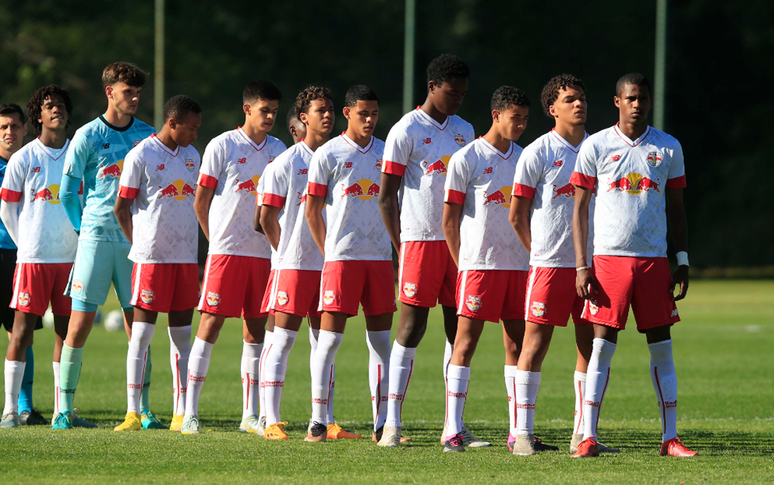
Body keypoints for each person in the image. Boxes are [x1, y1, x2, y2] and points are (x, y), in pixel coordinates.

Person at [570, 73, 696, 458]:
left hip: (654, 261)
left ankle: (669, 439)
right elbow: (578, 209)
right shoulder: (596, 145)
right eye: (630, 98)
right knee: (602, 347)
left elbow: (677, 210)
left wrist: (683, 259)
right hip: (608, 260)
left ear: (648, 102)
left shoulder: (668, 147)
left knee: (662, 347)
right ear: (617, 102)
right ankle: (588, 436)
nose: (637, 104)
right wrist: (581, 264)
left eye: (642, 98)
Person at [378, 54, 487, 447]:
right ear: (432, 87)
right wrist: (401, 246)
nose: (457, 100)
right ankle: (391, 424)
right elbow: (386, 197)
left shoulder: (466, 129)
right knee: (411, 328)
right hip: (420, 242)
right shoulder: (404, 129)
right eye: (451, 92)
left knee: (458, 329)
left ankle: (453, 427)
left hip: (460, 244)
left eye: (462, 94)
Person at [510, 74, 617, 455]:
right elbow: (517, 215)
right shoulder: (537, 152)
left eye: (583, 98)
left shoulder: (602, 148)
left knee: (591, 345)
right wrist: (539, 253)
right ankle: (522, 433)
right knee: (535, 344)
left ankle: (583, 434)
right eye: (570, 99)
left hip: (595, 265)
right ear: (552, 109)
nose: (579, 104)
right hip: (551, 265)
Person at [55, 62, 159, 430]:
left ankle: (143, 410)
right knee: (79, 323)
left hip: (135, 243)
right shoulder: (86, 135)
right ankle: (64, 410)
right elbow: (68, 193)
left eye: (137, 93)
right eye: (127, 91)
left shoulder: (149, 137)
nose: (133, 98)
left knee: (140, 325)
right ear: (109, 92)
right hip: (96, 237)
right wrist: (82, 230)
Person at [259, 86, 363, 441]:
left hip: (331, 265)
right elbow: (266, 217)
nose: (329, 115)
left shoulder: (338, 156)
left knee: (325, 343)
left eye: (332, 109)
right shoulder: (286, 163)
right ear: (303, 118)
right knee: (283, 340)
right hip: (294, 266)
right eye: (321, 110)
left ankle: (325, 419)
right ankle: (269, 420)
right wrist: (284, 253)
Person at [184, 81, 286, 435]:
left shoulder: (279, 149)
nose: (271, 116)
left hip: (263, 255)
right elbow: (201, 201)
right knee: (210, 326)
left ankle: (249, 414)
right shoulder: (222, 145)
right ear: (247, 109)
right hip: (226, 253)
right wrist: (216, 243)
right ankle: (189, 412)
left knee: (256, 331)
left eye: (274, 110)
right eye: (264, 110)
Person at [437, 86, 530, 452]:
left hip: (519, 267)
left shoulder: (525, 158)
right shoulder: (467, 158)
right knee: (465, 344)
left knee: (518, 344)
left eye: (525, 119)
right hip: (479, 267)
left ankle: (517, 431)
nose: (520, 125)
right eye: (514, 118)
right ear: (496, 115)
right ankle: (452, 430)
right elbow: (448, 221)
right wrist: (464, 267)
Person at [305, 85, 395, 442]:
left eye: (374, 113)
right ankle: (318, 420)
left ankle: (383, 423)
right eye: (363, 114)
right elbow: (312, 210)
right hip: (342, 259)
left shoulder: (388, 153)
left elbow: (395, 205)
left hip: (379, 259)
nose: (370, 120)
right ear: (347, 114)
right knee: (328, 342)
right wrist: (329, 253)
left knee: (383, 344)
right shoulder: (328, 154)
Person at [112, 95, 201, 432]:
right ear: (173, 123)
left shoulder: (193, 156)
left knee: (182, 337)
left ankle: (182, 412)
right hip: (151, 261)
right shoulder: (142, 154)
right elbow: (122, 208)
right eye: (190, 128)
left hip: (185, 261)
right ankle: (133, 413)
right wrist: (141, 244)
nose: (195, 135)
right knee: (142, 336)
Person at [0, 86, 78, 428]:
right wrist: (26, 243)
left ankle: (64, 411)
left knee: (66, 333)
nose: (56, 110)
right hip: (33, 260)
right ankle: (10, 411)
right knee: (21, 332)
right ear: (39, 116)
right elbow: (7, 208)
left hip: (70, 260)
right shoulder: (23, 158)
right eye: (49, 106)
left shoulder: (79, 154)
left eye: (60, 105)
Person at [0, 103, 47, 426]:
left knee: (22, 332)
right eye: (3, 127)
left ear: (25, 129)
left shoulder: (33, 161)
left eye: (14, 126)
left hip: (22, 257)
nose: (9, 132)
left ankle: (25, 406)